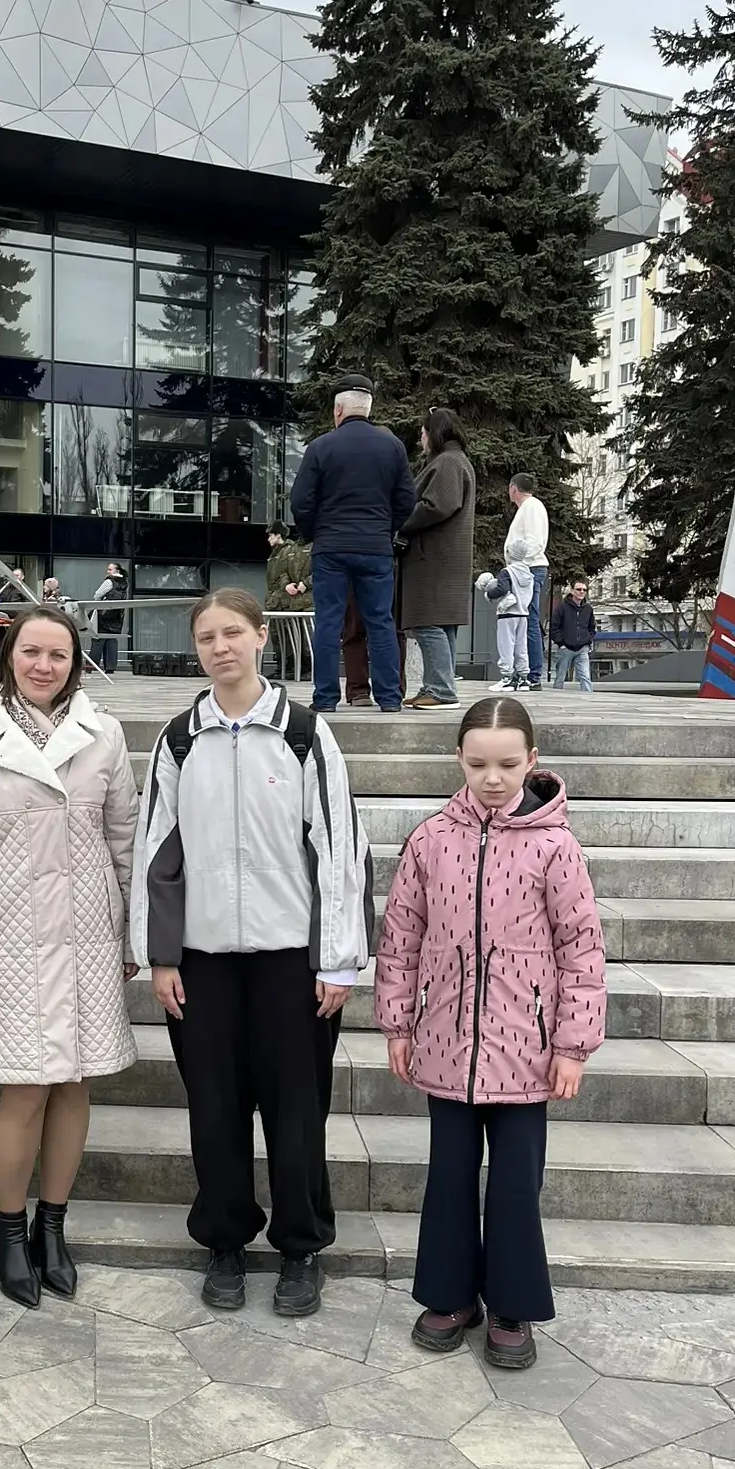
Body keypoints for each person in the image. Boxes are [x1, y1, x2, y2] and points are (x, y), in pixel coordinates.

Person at [133, 589, 372, 1317]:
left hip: (289, 960)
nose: (221, 647)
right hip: (203, 961)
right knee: (215, 1109)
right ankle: (225, 1239)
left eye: (233, 632)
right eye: (207, 637)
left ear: (261, 637)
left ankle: (301, 1245)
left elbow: (339, 848)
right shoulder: (180, 739)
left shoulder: (303, 733)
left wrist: (337, 959)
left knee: (296, 1111)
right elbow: (156, 852)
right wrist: (161, 956)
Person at [375, 697, 606, 1370]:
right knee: (449, 1178)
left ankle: (511, 1303)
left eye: (507, 763)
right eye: (478, 764)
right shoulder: (430, 840)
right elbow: (401, 938)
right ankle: (450, 1296)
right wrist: (398, 1022)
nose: (493, 778)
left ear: (532, 760)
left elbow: (581, 948)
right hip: (445, 1044)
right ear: (459, 759)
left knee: (513, 1187)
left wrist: (571, 1045)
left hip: (526, 1052)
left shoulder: (556, 847)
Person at [0, 606, 138, 1308]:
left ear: (75, 662)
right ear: (9, 655)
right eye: (31, 652)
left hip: (87, 936)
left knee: (74, 1083)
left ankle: (54, 1226)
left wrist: (132, 935)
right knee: (24, 1088)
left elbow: (125, 841)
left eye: (58, 654)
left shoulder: (103, 734)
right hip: (7, 942)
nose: (44, 665)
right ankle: (10, 1228)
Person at [289, 377, 416, 714]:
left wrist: (315, 532)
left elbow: (300, 501)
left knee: (329, 622)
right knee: (381, 622)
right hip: (375, 546)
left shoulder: (321, 447)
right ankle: (390, 698)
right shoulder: (392, 447)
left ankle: (325, 698)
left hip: (331, 547)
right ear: (369, 409)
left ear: (338, 410)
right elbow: (407, 499)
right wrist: (386, 528)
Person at [399, 409, 477, 710]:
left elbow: (437, 506)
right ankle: (436, 686)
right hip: (445, 557)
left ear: (435, 433)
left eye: (423, 433)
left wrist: (400, 520)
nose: (421, 439)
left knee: (427, 623)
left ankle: (441, 689)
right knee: (442, 626)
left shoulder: (447, 462)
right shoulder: (456, 460)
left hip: (434, 560)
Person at [506, 473, 550, 692]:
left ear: (513, 488)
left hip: (529, 568)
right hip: (527, 568)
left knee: (528, 620)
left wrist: (519, 565)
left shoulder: (531, 507)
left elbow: (534, 542)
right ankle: (526, 672)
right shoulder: (529, 507)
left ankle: (533, 674)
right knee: (524, 620)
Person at [477, 539, 535, 693]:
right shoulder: (528, 573)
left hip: (507, 613)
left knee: (506, 646)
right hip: (523, 614)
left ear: (510, 553)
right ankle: (523, 679)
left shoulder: (507, 571)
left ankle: (507, 678)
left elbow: (502, 589)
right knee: (521, 647)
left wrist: (488, 594)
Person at [264, 523, 312, 681]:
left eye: (271, 535)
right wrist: (286, 585)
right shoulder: (279, 553)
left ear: (278, 535)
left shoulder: (288, 551)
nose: (268, 538)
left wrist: (302, 584)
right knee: (279, 637)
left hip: (290, 601)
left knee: (300, 637)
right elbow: (283, 575)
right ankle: (285, 667)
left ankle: (302, 667)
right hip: (279, 600)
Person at [551, 579, 597, 693]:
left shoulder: (588, 609)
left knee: (585, 677)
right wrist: (561, 643)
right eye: (578, 589)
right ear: (572, 591)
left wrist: (588, 641)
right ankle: (555, 698)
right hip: (565, 648)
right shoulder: (562, 607)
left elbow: (592, 627)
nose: (582, 592)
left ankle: (588, 699)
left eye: (584, 590)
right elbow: (554, 627)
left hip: (582, 648)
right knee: (560, 677)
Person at [88, 562, 127, 675]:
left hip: (104, 615)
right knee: (112, 640)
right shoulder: (124, 583)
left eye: (110, 569)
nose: (108, 571)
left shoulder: (110, 581)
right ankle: (110, 667)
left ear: (117, 570)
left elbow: (97, 595)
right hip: (117, 617)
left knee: (98, 639)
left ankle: (91, 666)